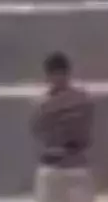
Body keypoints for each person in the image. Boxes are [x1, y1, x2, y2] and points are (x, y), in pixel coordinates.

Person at [30, 52, 97, 202]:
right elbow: (85, 135)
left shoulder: (42, 104)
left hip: (53, 167)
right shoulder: (83, 100)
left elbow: (37, 131)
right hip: (76, 165)